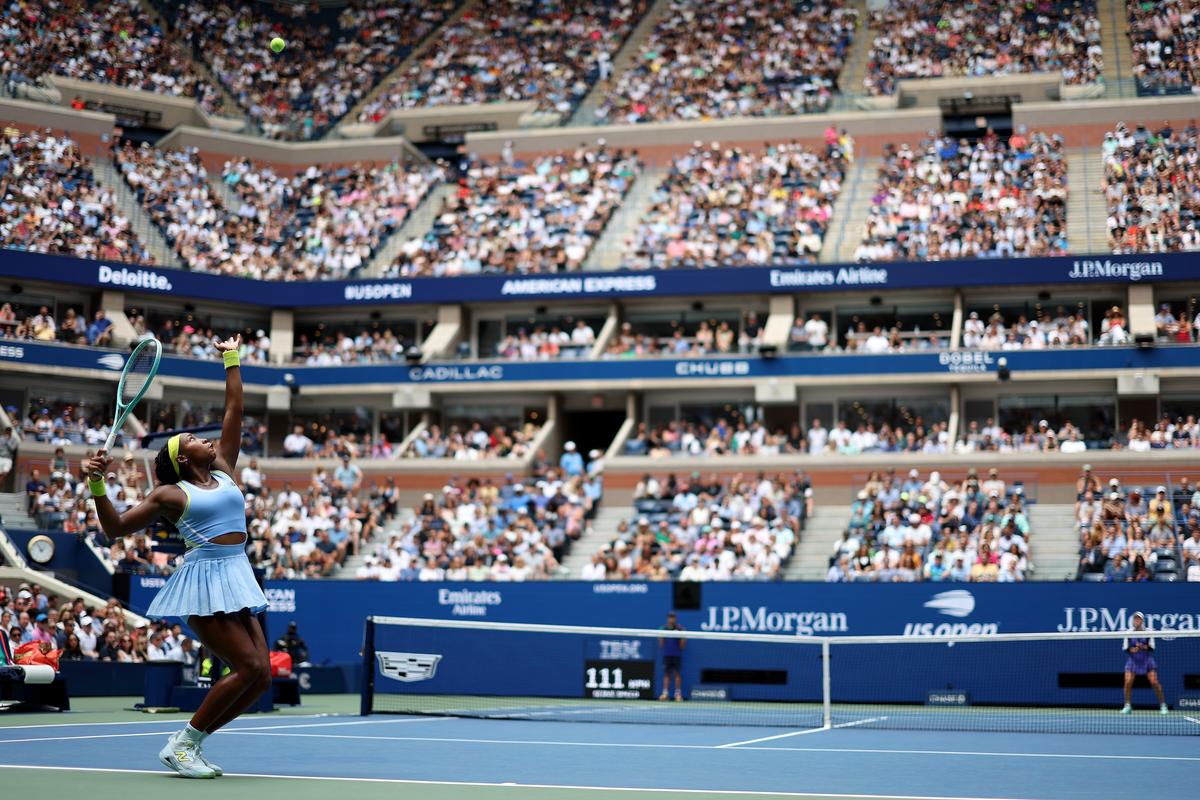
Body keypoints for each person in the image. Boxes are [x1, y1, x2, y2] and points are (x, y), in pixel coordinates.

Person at [82, 336, 268, 779]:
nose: (207, 441)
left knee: (261, 677)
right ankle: (182, 744)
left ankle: (191, 745)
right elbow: (115, 529)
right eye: (194, 439)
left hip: (237, 574)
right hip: (205, 582)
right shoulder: (170, 493)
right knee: (249, 667)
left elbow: (234, 411)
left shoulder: (223, 471)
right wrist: (96, 487)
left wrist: (231, 358)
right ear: (182, 457)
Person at [1121, 612, 1168, 715]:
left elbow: (1152, 647)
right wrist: (1132, 649)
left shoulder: (1149, 632)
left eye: (1138, 619)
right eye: (1135, 619)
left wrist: (1142, 647)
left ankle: (1163, 705)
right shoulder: (1128, 632)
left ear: (1142, 621)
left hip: (1146, 660)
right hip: (1133, 661)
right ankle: (1127, 705)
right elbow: (1125, 648)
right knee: (1128, 682)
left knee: (1154, 682)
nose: (1136, 620)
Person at [658, 611, 686, 702]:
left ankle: (677, 694)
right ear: (668, 618)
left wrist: (679, 648)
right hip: (667, 655)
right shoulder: (663, 628)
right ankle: (665, 694)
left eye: (673, 617)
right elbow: (661, 642)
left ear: (675, 618)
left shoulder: (680, 628)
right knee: (667, 674)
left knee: (677, 674)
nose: (671, 619)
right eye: (670, 617)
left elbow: (683, 642)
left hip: (677, 655)